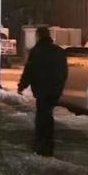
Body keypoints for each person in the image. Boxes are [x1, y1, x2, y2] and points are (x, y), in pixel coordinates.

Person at [17, 26, 69, 157]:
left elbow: (29, 71)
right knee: (48, 114)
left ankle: (40, 142)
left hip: (41, 89)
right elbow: (64, 72)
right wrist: (59, 87)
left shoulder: (36, 51)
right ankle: (48, 142)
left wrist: (22, 86)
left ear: (38, 36)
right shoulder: (59, 51)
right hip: (55, 90)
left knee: (41, 115)